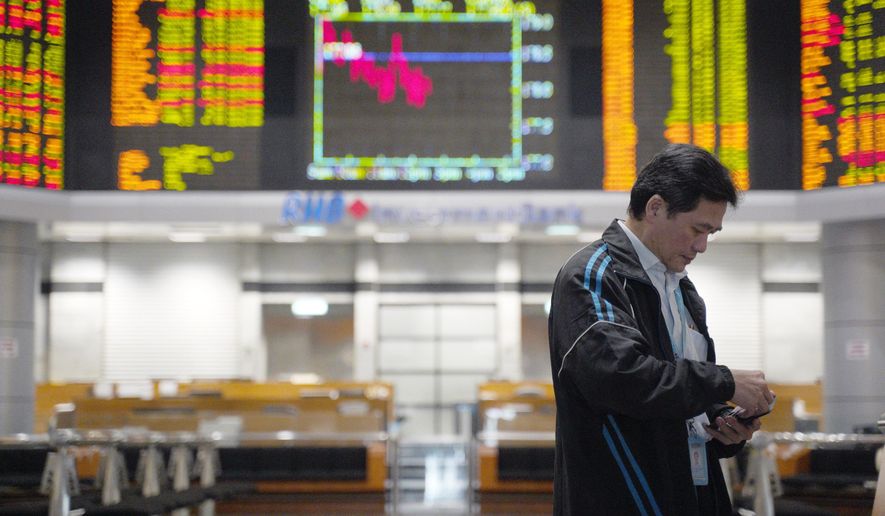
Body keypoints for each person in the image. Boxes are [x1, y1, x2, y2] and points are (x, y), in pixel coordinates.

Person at [548, 143, 775, 515]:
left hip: (689, 494)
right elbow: (621, 379)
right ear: (655, 208)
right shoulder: (593, 276)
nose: (702, 246)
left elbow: (675, 401)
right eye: (697, 229)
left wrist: (718, 424)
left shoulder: (681, 289)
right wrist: (724, 381)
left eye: (711, 233)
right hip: (624, 498)